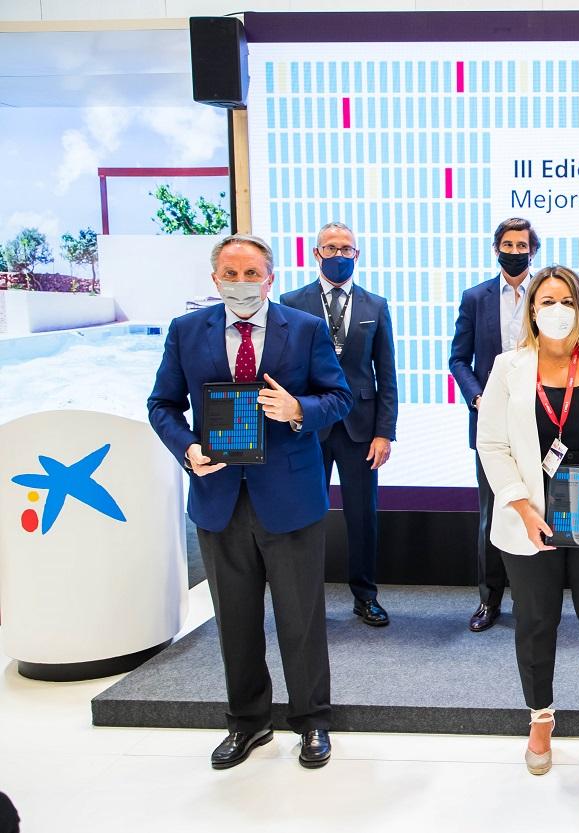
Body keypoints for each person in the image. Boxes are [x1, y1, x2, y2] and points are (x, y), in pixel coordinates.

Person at [148, 233, 352, 770]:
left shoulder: (304, 329)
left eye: (252, 273)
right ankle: (248, 722)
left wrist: (297, 408)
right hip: (218, 498)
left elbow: (340, 398)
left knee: (300, 619)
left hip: (290, 498)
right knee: (235, 621)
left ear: (271, 278)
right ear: (215, 279)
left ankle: (311, 723)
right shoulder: (187, 332)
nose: (242, 283)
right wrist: (188, 448)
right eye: (231, 274)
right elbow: (162, 404)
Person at [476, 265, 579, 777]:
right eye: (545, 301)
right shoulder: (508, 367)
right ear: (531, 310)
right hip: (530, 525)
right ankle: (540, 718)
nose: (555, 310)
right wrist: (521, 507)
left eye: (565, 301)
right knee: (534, 623)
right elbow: (493, 444)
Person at [280, 222, 398, 627]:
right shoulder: (290, 302)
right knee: (305, 514)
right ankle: (305, 601)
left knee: (363, 516)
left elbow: (386, 374)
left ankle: (365, 597)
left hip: (360, 429)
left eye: (346, 249)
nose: (338, 255)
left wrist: (385, 431)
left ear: (357, 255)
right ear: (316, 253)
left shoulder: (375, 305)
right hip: (308, 426)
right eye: (330, 248)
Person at [450, 218, 540, 632]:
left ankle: (532, 597)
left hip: (543, 421)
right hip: (491, 423)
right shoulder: (475, 297)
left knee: (538, 507)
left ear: (533, 250)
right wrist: (477, 397)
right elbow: (458, 359)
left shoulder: (550, 293)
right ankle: (490, 600)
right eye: (508, 243)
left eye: (522, 244)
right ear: (496, 248)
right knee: (491, 513)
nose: (515, 250)